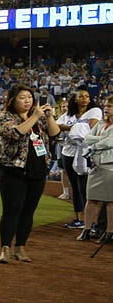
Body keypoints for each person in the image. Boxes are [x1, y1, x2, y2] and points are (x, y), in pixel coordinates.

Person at [0, 84, 61, 263]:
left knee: (28, 211)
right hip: (13, 170)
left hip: (37, 170)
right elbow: (16, 132)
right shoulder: (6, 117)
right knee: (12, 210)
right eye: (22, 97)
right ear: (13, 100)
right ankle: (5, 247)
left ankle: (20, 247)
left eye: (29, 97)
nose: (27, 101)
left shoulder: (39, 117)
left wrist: (49, 116)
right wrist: (35, 117)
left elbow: (55, 134)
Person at [56, 88, 103, 231]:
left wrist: (69, 128)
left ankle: (92, 221)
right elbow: (56, 126)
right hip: (68, 153)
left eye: (87, 96)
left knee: (86, 188)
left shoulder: (95, 111)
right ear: (75, 99)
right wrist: (74, 127)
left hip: (86, 153)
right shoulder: (68, 114)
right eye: (81, 96)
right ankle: (78, 218)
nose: (84, 99)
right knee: (75, 187)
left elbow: (91, 126)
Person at [76, 92, 113, 243]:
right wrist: (101, 140)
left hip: (110, 167)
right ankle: (86, 229)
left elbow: (109, 143)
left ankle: (109, 232)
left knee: (111, 201)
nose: (106, 109)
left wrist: (96, 143)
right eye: (105, 106)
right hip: (96, 165)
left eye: (110, 106)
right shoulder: (100, 124)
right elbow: (86, 138)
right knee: (91, 199)